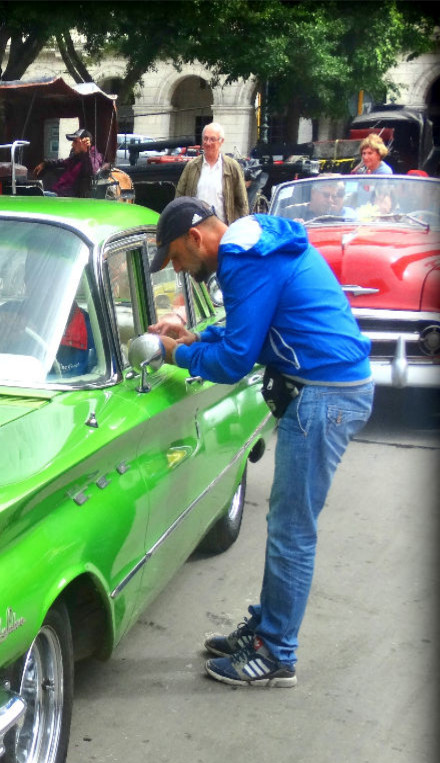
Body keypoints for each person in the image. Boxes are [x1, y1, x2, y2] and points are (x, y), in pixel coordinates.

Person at [147, 197, 373, 687]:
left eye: (177, 260)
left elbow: (233, 362)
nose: (180, 270)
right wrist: (189, 340)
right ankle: (268, 630)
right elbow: (246, 333)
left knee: (292, 528)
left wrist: (173, 355)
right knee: (285, 522)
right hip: (327, 388)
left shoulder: (242, 260)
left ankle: (277, 655)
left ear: (196, 238)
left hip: (325, 395)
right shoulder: (254, 246)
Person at [174, 122, 249, 224]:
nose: (208, 143)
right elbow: (179, 198)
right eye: (205, 139)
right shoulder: (191, 166)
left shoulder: (232, 167)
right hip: (196, 230)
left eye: (212, 139)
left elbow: (242, 203)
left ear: (221, 141)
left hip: (223, 229)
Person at [31, 128, 104, 198]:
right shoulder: (75, 158)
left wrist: (86, 152)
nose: (72, 145)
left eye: (75, 142)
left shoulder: (95, 156)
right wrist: (45, 163)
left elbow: (93, 171)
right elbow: (61, 162)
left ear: (85, 143)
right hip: (57, 193)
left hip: (69, 198)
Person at [282, 179, 349, 221]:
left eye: (333, 196)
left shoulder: (337, 215)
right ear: (313, 193)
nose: (330, 200)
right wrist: (294, 226)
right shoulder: (290, 211)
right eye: (326, 195)